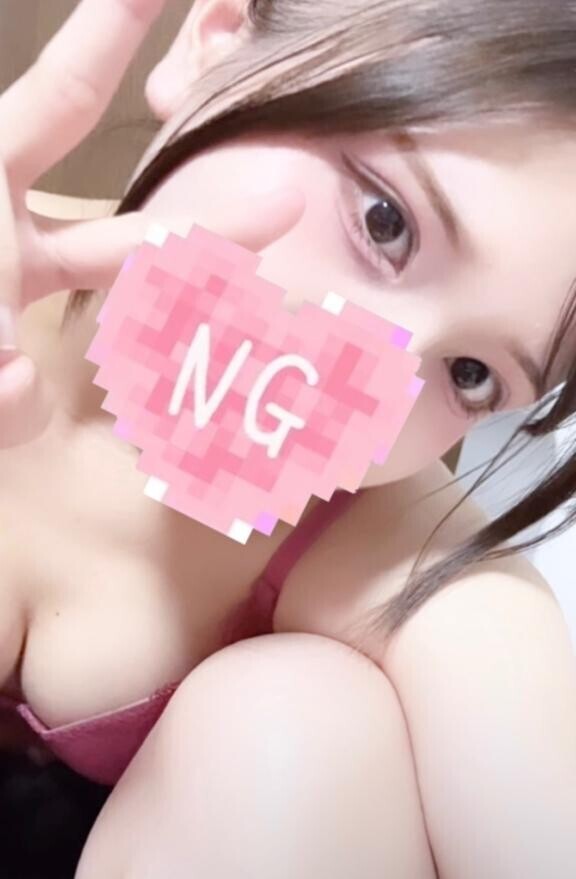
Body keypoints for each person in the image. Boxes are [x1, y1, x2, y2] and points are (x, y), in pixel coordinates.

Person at [1, 0, 575, 876]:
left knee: (306, 718)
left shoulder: (370, 535)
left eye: (470, 374)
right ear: (217, 37)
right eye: (385, 222)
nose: (372, 382)